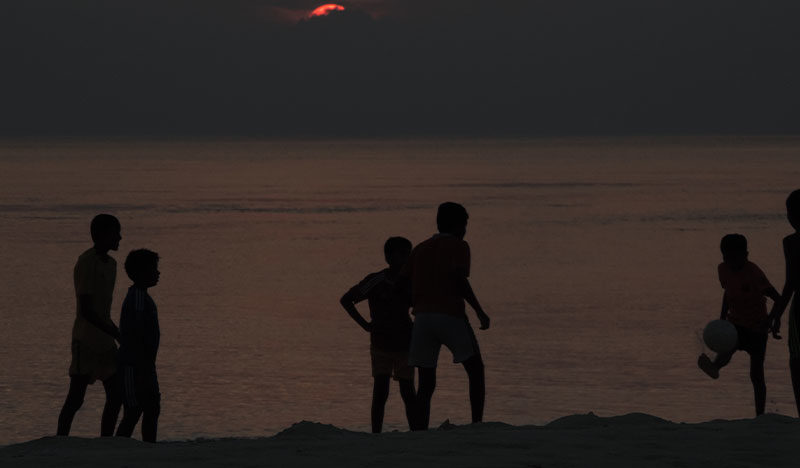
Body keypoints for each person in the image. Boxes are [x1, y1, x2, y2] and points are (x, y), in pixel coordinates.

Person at [402, 202, 490, 430]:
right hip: (450, 316)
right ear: (458, 225)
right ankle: (477, 423)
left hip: (422, 319)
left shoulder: (420, 249)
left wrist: (415, 302)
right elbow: (460, 280)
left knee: (426, 382)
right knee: (475, 370)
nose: (465, 230)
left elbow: (404, 283)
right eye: (465, 225)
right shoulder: (459, 246)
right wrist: (479, 310)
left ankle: (419, 429)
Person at [698, 233, 781, 416]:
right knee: (728, 348)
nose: (730, 262)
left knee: (756, 374)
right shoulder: (723, 269)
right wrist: (722, 318)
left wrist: (772, 320)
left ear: (746, 255)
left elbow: (778, 298)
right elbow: (728, 292)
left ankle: (760, 414)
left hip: (757, 328)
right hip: (735, 324)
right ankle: (715, 367)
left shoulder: (755, 274)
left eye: (734, 258)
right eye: (726, 258)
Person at [340, 237, 417, 433]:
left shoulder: (410, 281)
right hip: (381, 344)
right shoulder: (376, 280)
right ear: (389, 257)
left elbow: (420, 305)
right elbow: (346, 300)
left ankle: (416, 432)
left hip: (405, 343)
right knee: (381, 391)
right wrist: (365, 325)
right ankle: (376, 433)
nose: (407, 259)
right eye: (403, 254)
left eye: (408, 254)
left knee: (407, 391)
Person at [57, 214, 123, 437]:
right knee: (76, 398)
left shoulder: (112, 265)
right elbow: (86, 310)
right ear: (102, 235)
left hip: (106, 342)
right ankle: (61, 439)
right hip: (85, 340)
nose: (120, 238)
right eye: (116, 233)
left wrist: (114, 332)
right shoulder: (86, 262)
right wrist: (115, 332)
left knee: (116, 395)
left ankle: (106, 440)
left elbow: (103, 310)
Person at [115, 249, 161, 442]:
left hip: (146, 364)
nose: (158, 273)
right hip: (133, 365)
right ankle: (119, 445)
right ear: (141, 273)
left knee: (152, 405)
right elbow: (136, 330)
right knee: (134, 409)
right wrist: (141, 359)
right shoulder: (138, 298)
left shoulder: (142, 297)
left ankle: (149, 446)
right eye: (153, 269)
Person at [768, 189, 800, 413]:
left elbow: (791, 283)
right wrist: (776, 315)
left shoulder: (791, 242)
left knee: (797, 360)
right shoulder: (790, 242)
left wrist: (775, 315)